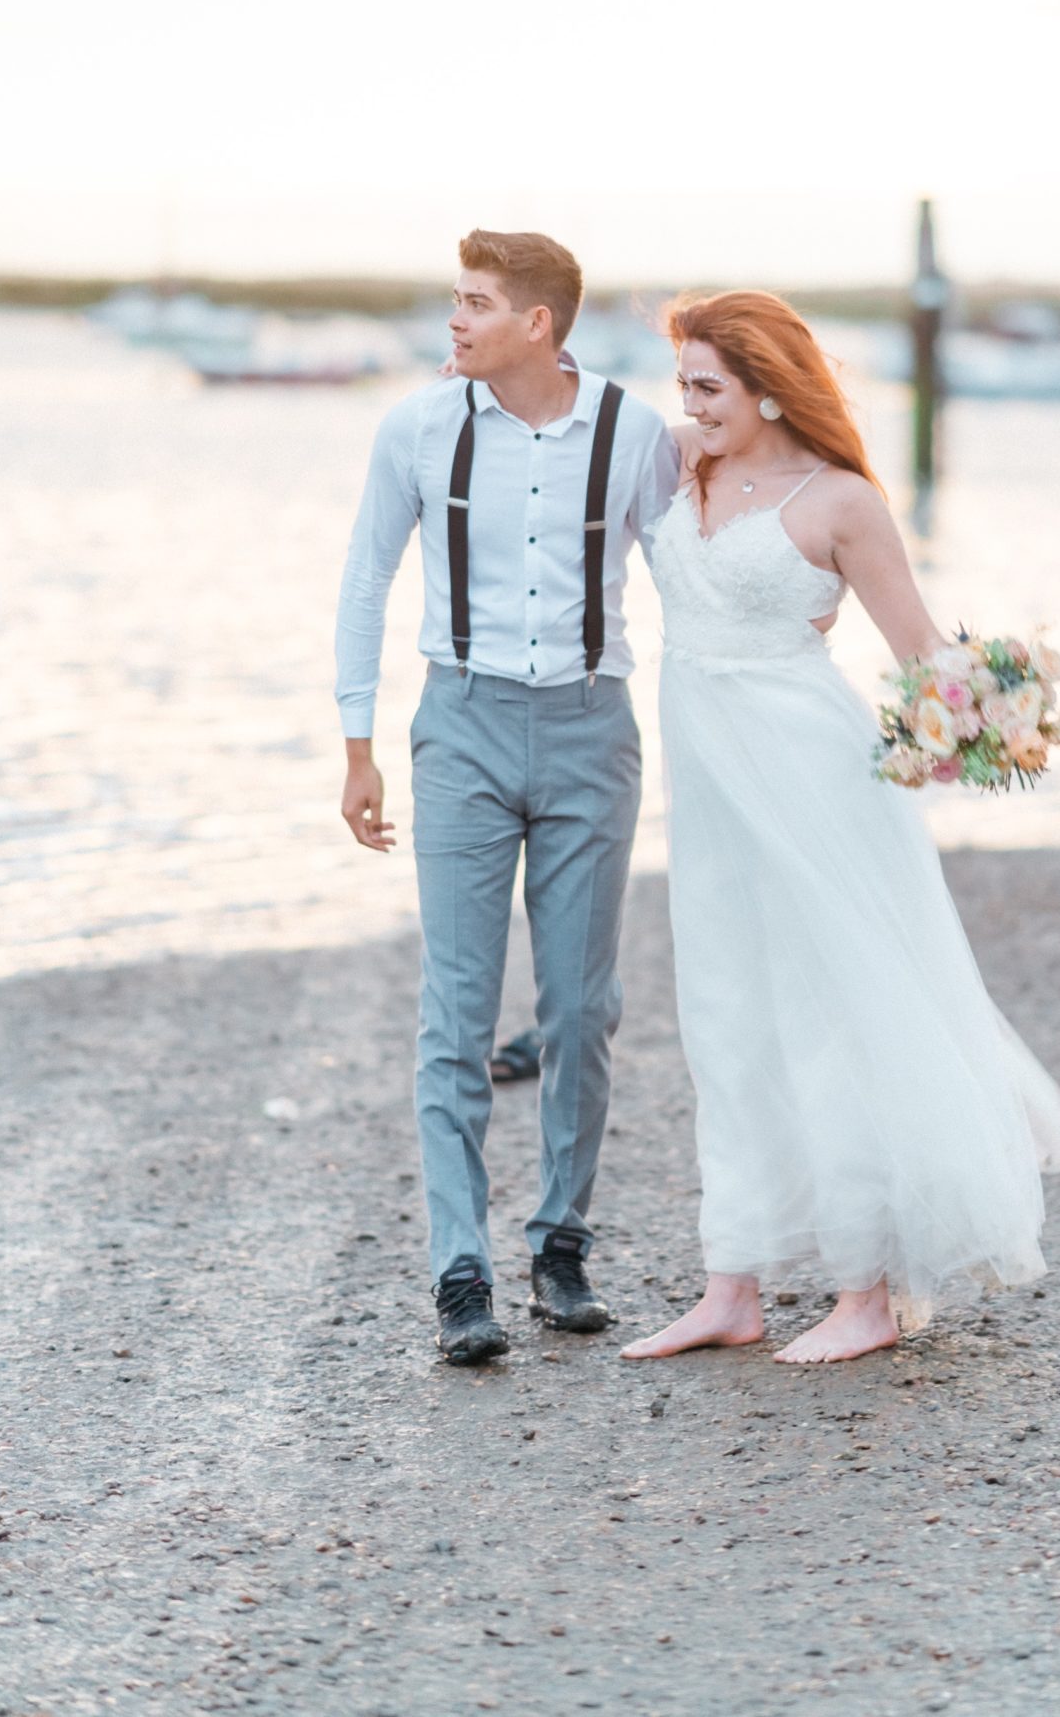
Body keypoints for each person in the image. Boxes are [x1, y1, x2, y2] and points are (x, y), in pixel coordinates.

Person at [621, 291, 1060, 1366]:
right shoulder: (675, 464)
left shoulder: (841, 500)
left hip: (814, 775)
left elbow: (920, 653)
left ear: (766, 385)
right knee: (722, 1012)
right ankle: (731, 1284)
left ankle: (864, 1291)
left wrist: (1001, 713)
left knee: (827, 1011)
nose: (692, 405)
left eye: (709, 386)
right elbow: (567, 434)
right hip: (707, 785)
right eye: (685, 385)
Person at [336, 229, 678, 1363]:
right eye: (453, 301)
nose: (455, 321)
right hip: (464, 726)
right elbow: (367, 577)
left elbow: (689, 581)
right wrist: (358, 743)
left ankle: (561, 1242)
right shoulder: (419, 426)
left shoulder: (634, 432)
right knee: (459, 1010)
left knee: (582, 1008)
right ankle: (460, 1273)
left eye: (475, 304)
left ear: (539, 322)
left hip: (592, 729)